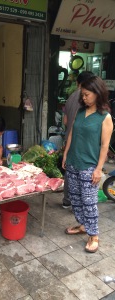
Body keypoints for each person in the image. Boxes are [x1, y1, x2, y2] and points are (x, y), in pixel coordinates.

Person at [62, 76, 113, 253]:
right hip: (73, 162)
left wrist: (99, 169)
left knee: (89, 202)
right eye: (82, 95)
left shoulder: (104, 117)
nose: (83, 98)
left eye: (86, 94)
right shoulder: (80, 113)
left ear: (97, 93)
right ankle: (83, 226)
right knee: (75, 200)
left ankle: (94, 235)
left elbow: (105, 146)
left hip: (89, 165)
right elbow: (71, 135)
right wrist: (66, 154)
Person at [62, 71, 94, 209]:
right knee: (82, 171)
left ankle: (66, 200)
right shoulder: (89, 99)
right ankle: (79, 204)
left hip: (69, 138)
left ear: (77, 83)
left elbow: (65, 120)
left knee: (70, 171)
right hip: (82, 141)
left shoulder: (70, 97)